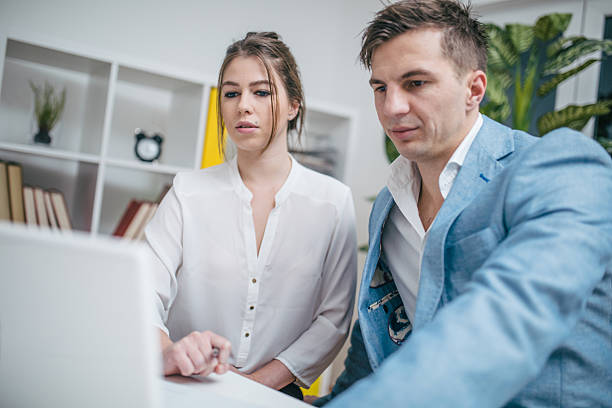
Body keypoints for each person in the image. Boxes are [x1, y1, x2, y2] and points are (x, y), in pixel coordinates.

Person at [316, 1, 612, 407]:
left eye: (415, 83)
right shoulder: (391, 203)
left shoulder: (560, 166)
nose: (391, 108)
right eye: (381, 87)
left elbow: (506, 320)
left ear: (474, 89)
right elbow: (380, 343)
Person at [144, 32, 357, 400]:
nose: (244, 105)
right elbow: (142, 291)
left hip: (276, 395)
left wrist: (249, 390)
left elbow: (333, 320)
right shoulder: (187, 191)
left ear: (293, 105)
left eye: (261, 92)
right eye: (231, 93)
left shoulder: (333, 202)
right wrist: (167, 352)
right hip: (185, 387)